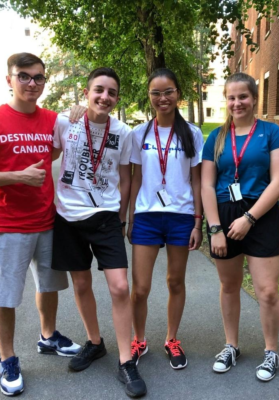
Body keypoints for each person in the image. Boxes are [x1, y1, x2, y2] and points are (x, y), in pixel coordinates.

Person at [51, 67, 146, 398]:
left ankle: (125, 361)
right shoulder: (65, 122)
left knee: (120, 287)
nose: (105, 96)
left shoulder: (123, 131)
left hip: (106, 216)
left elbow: (126, 177)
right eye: (99, 90)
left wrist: (121, 219)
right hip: (67, 215)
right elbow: (47, 155)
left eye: (112, 92)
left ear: (117, 99)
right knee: (81, 283)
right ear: (87, 93)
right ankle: (95, 342)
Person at [0, 53, 82, 397]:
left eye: (38, 78)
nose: (32, 83)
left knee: (48, 286)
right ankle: (7, 357)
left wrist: (80, 111)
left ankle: (47, 337)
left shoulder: (52, 120)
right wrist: (16, 176)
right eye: (24, 77)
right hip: (9, 224)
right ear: (9, 80)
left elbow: (62, 147)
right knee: (6, 296)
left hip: (48, 219)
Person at [201, 72, 279, 381]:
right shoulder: (216, 137)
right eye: (231, 97)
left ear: (254, 99)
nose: (237, 102)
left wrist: (250, 218)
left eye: (243, 96)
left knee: (267, 291)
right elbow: (207, 185)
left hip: (260, 214)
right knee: (229, 285)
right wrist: (215, 228)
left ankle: (271, 351)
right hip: (224, 214)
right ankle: (231, 345)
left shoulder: (272, 132)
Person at [128, 68, 203, 370]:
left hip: (181, 217)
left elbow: (197, 181)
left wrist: (198, 222)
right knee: (140, 288)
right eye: (156, 93)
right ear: (149, 97)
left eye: (168, 91)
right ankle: (138, 339)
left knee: (175, 281)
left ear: (178, 94)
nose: (162, 98)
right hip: (146, 216)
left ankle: (172, 339)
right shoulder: (139, 134)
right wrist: (130, 216)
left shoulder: (193, 133)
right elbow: (134, 179)